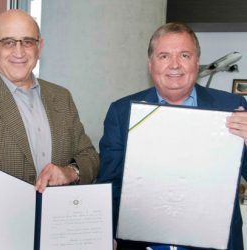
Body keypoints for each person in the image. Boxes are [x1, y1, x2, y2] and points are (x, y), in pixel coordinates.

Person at [0, 9, 99, 250]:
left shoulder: (62, 97)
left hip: (63, 239)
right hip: (1, 242)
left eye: (27, 42)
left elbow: (90, 157)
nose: (19, 52)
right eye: (8, 42)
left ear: (39, 47)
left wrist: (71, 171)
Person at [97, 22, 247, 250]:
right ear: (150, 64)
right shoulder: (121, 111)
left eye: (184, 55)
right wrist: (106, 231)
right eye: (164, 56)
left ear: (197, 63)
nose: (174, 65)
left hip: (216, 242)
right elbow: (110, 183)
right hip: (142, 241)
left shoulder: (233, 106)